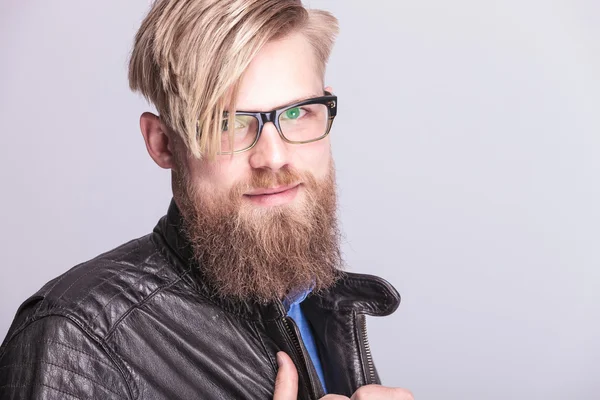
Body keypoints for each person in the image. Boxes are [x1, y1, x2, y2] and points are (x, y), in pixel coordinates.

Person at [0, 1, 413, 399]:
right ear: (163, 143)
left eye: (296, 113)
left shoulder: (312, 296)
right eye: (227, 123)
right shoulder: (77, 341)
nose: (273, 157)